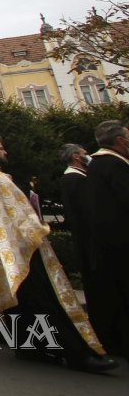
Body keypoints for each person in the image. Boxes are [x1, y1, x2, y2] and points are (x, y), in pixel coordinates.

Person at [0, 135, 116, 372]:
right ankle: (75, 354)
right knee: (44, 301)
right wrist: (31, 231)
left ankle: (31, 348)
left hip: (18, 247)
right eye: (1, 148)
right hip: (19, 249)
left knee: (26, 303)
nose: (5, 152)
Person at [84, 120, 129, 357]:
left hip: (108, 242)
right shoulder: (113, 165)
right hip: (121, 242)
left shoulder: (96, 165)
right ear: (120, 141)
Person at [59, 143, 95, 293]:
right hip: (89, 236)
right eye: (84, 153)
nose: (88, 156)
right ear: (76, 156)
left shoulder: (77, 176)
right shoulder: (75, 178)